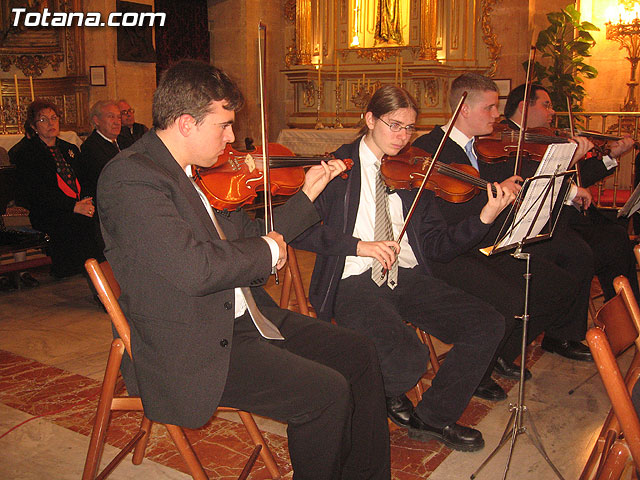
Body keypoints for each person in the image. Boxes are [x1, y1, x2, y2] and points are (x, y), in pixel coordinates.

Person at [97, 59, 390, 480]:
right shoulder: (130, 179)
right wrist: (269, 250)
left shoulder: (186, 172)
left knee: (358, 353)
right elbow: (196, 268)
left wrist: (306, 197)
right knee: (326, 394)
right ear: (185, 123)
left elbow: (250, 234)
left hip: (243, 316)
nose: (232, 137)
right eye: (225, 125)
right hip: (191, 342)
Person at [292, 85, 514, 452]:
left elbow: (440, 246)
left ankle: (433, 418)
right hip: (353, 279)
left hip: (405, 274)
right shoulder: (337, 168)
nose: (402, 137)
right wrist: (359, 246)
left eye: (409, 128)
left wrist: (485, 216)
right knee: (408, 358)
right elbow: (299, 231)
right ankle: (371, 394)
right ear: (369, 119)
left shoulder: (414, 173)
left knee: (488, 323)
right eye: (394, 125)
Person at [412, 74, 594, 395]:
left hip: (489, 243)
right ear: (464, 109)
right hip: (451, 252)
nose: (498, 115)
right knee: (510, 299)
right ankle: (476, 373)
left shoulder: (486, 147)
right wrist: (492, 200)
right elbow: (446, 219)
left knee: (560, 287)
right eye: (491, 108)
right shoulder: (428, 150)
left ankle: (497, 354)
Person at [503, 83, 638, 302]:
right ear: (524, 107)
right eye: (546, 105)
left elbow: (579, 175)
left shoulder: (543, 137)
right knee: (601, 247)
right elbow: (529, 180)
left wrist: (610, 156)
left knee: (617, 236)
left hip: (568, 215)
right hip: (550, 221)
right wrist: (570, 169)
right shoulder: (506, 140)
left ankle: (624, 317)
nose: (552, 111)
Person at [8, 100, 101, 278]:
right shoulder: (27, 153)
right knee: (77, 224)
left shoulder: (69, 148)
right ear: (34, 126)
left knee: (98, 219)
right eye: (43, 120)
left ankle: (100, 273)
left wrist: (86, 201)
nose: (51, 123)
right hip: (48, 210)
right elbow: (37, 191)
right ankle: (81, 271)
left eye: (54, 118)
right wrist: (73, 206)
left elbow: (86, 179)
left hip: (79, 205)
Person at [81, 100, 122, 198]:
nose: (117, 122)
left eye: (119, 117)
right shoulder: (90, 147)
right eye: (111, 117)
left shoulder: (125, 140)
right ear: (96, 120)